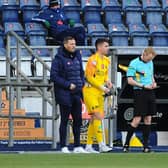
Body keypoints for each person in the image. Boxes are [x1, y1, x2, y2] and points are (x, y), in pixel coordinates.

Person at [50, 36, 88, 153]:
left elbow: (81, 72)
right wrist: (67, 85)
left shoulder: (77, 55)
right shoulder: (58, 58)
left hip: (77, 93)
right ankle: (63, 146)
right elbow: (54, 76)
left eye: (74, 44)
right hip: (64, 93)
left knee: (78, 120)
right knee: (65, 120)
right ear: (65, 45)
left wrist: (82, 83)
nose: (73, 46)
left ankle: (77, 146)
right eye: (71, 44)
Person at [123, 47, 157, 153]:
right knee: (137, 119)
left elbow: (151, 76)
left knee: (148, 118)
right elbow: (130, 80)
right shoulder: (134, 63)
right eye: (148, 59)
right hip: (140, 92)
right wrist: (143, 86)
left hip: (150, 92)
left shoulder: (151, 62)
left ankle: (145, 146)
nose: (149, 61)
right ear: (145, 54)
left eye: (151, 59)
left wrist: (153, 83)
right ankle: (126, 144)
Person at [83, 38, 113, 153]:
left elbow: (104, 75)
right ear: (99, 47)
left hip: (100, 93)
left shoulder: (106, 60)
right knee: (98, 117)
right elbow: (89, 78)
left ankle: (89, 146)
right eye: (106, 46)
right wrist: (102, 87)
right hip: (90, 92)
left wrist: (108, 81)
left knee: (94, 119)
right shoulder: (92, 60)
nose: (107, 48)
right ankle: (101, 145)